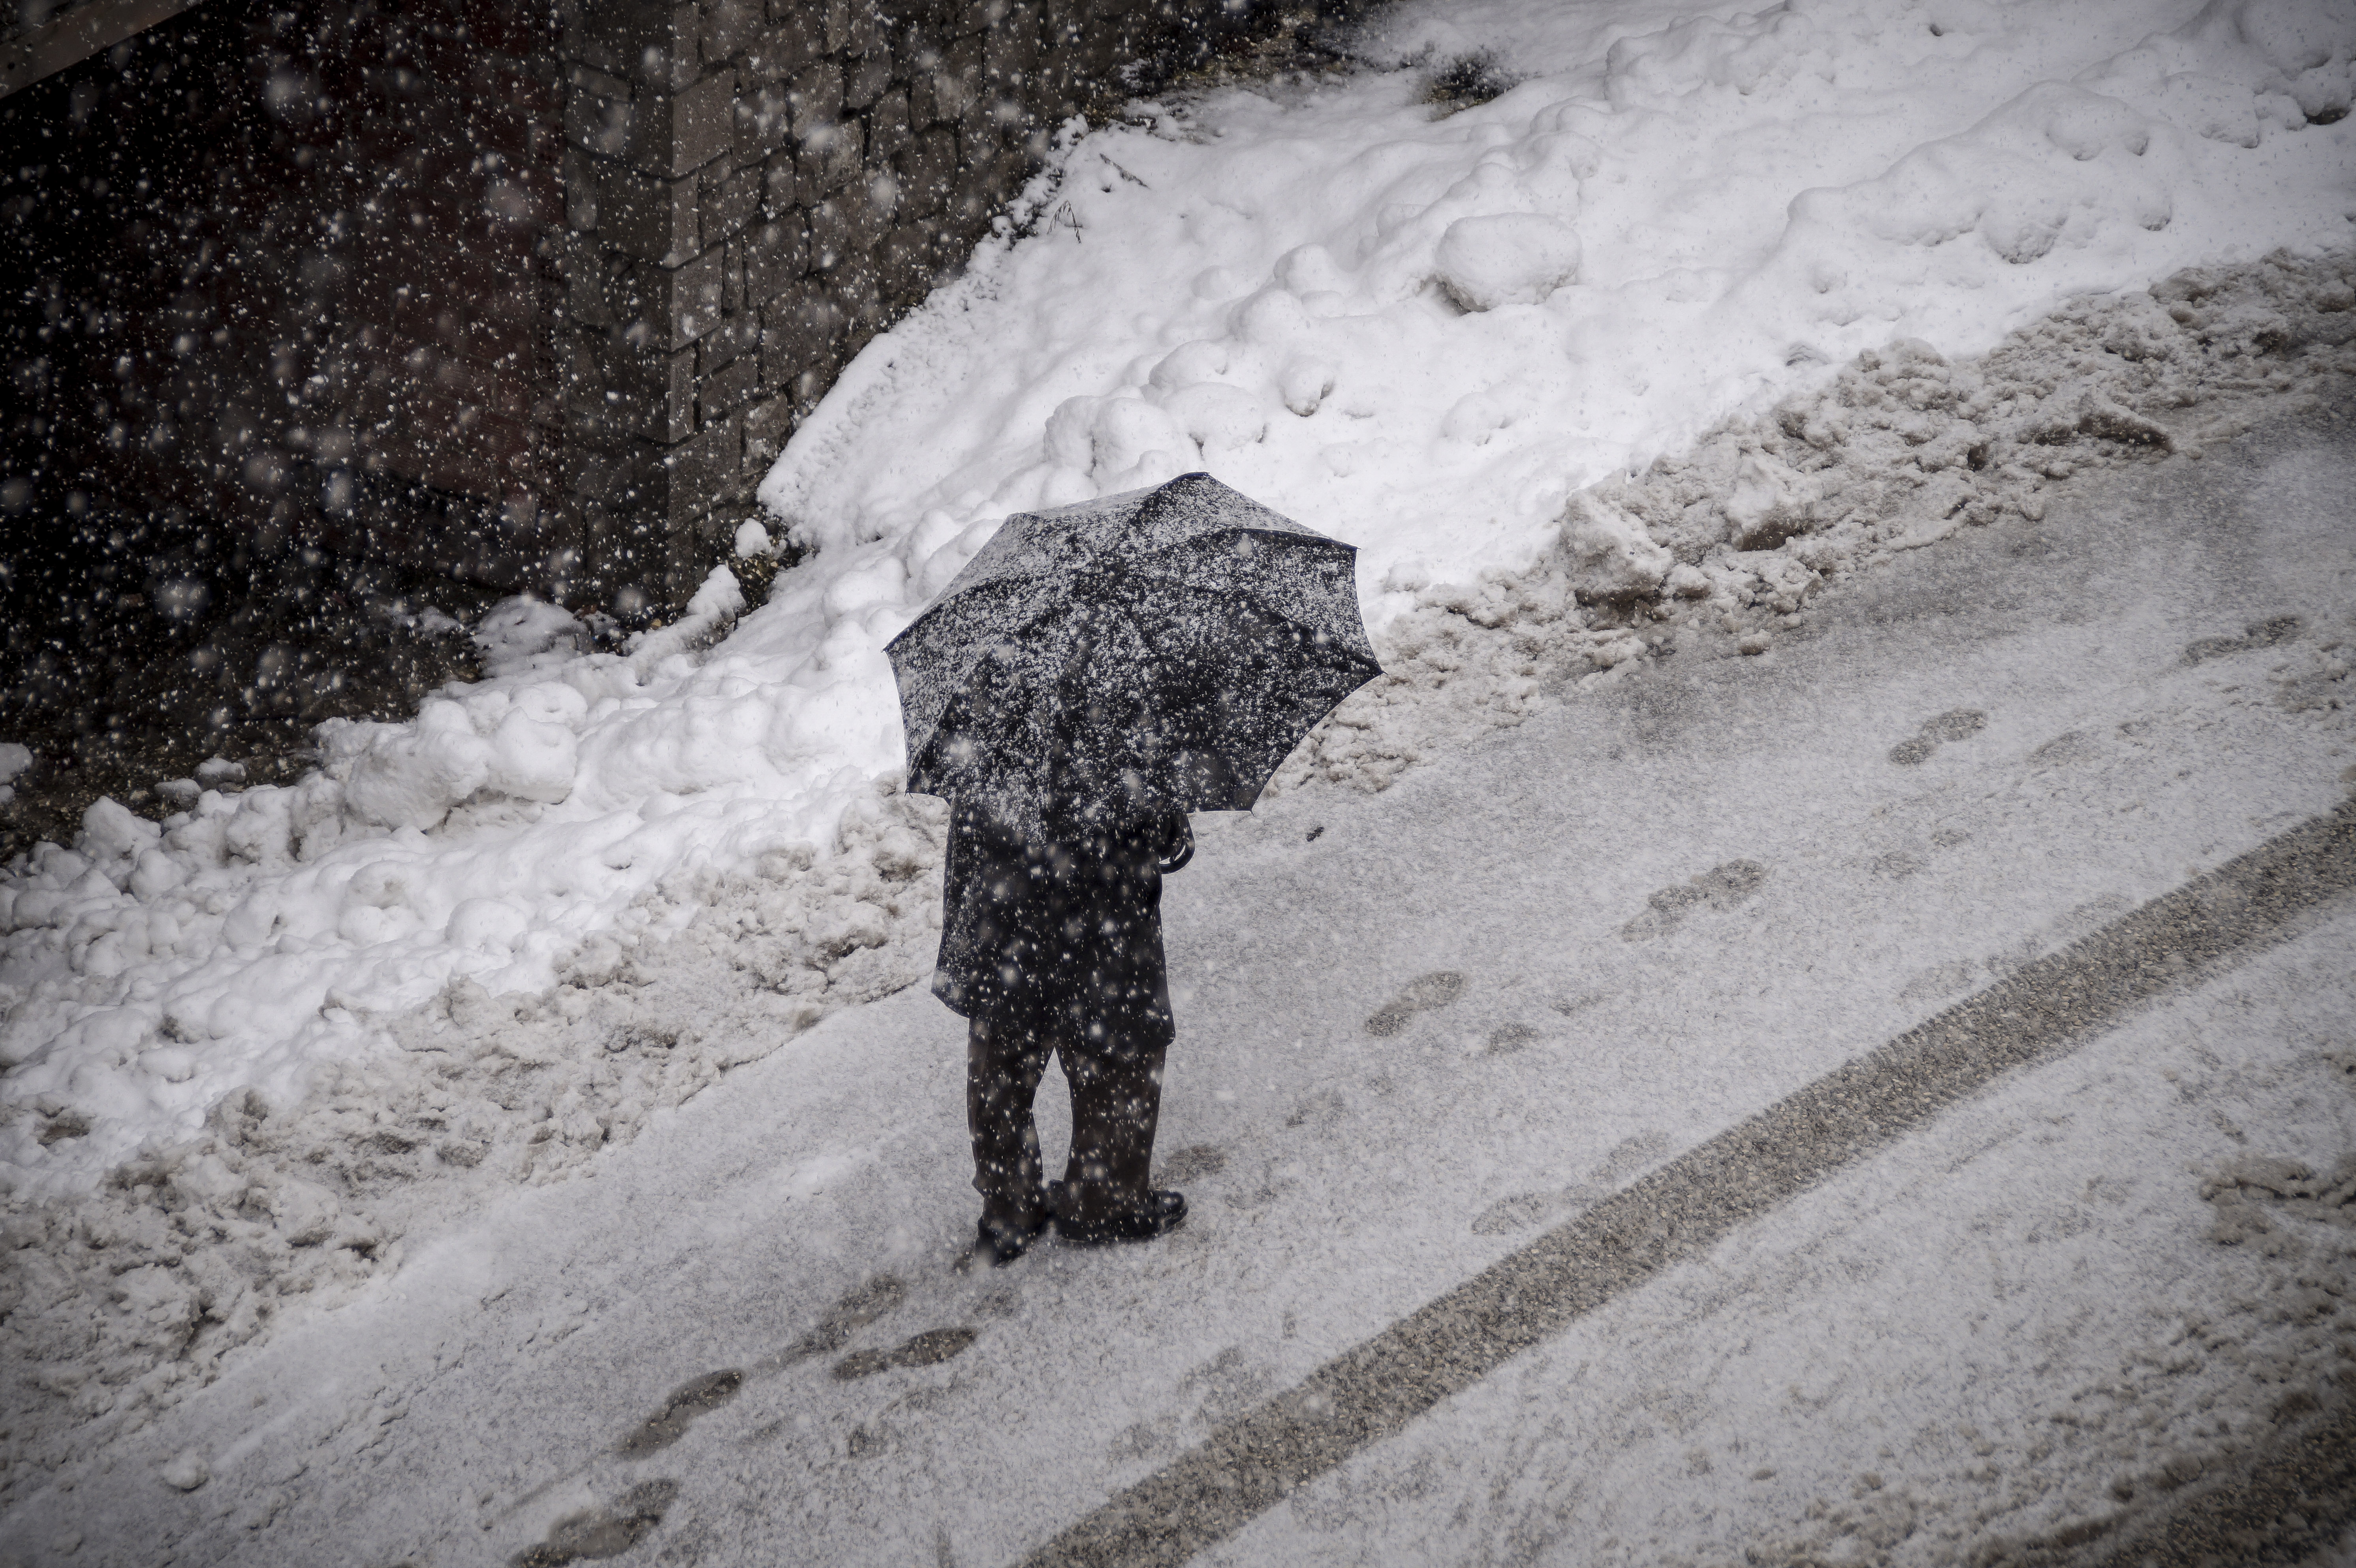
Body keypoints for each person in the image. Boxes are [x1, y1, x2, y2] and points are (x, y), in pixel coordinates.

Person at [933, 791, 1194, 1267]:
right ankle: (1105, 1198)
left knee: (1005, 1038)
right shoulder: (1121, 725)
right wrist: (1164, 815)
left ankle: (1009, 1208)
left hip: (1003, 866)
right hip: (1102, 873)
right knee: (1117, 1033)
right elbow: (1141, 793)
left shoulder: (988, 723)